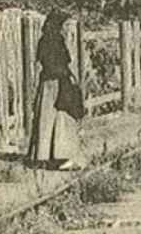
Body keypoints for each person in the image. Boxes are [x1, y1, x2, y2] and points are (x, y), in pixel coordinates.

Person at [27, 11, 86, 170]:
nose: (66, 29)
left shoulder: (44, 40)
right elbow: (57, 64)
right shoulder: (55, 41)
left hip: (47, 84)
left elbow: (43, 62)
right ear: (57, 25)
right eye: (64, 25)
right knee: (62, 118)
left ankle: (43, 155)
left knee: (46, 119)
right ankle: (62, 157)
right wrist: (67, 77)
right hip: (57, 84)